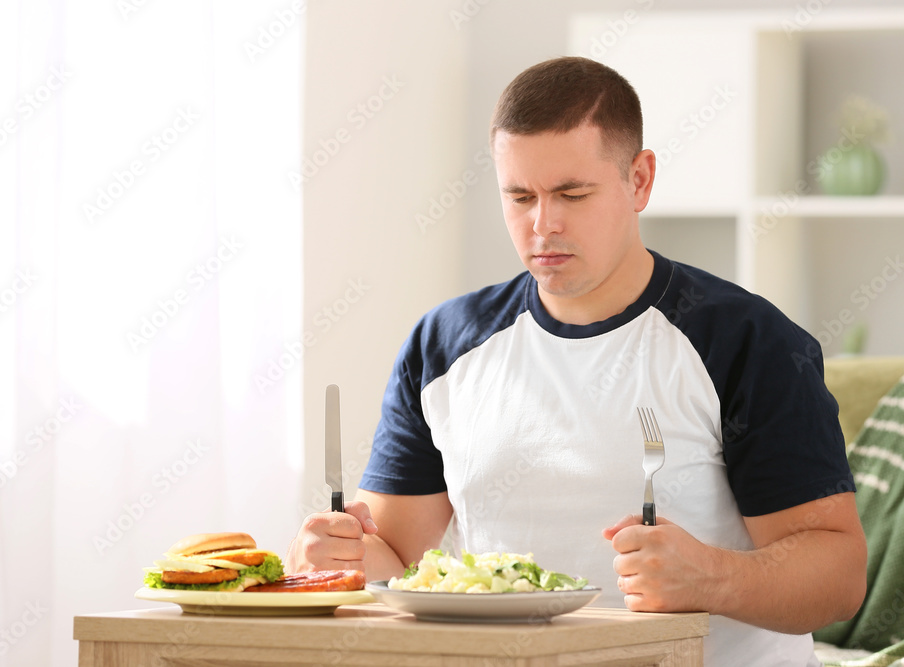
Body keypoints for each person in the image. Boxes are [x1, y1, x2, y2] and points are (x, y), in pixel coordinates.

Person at [285, 56, 867, 666]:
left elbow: (838, 574)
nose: (543, 225)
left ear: (639, 181)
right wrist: (335, 561)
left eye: (572, 193)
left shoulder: (745, 340)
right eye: (519, 196)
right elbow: (397, 564)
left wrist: (713, 579)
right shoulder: (444, 345)